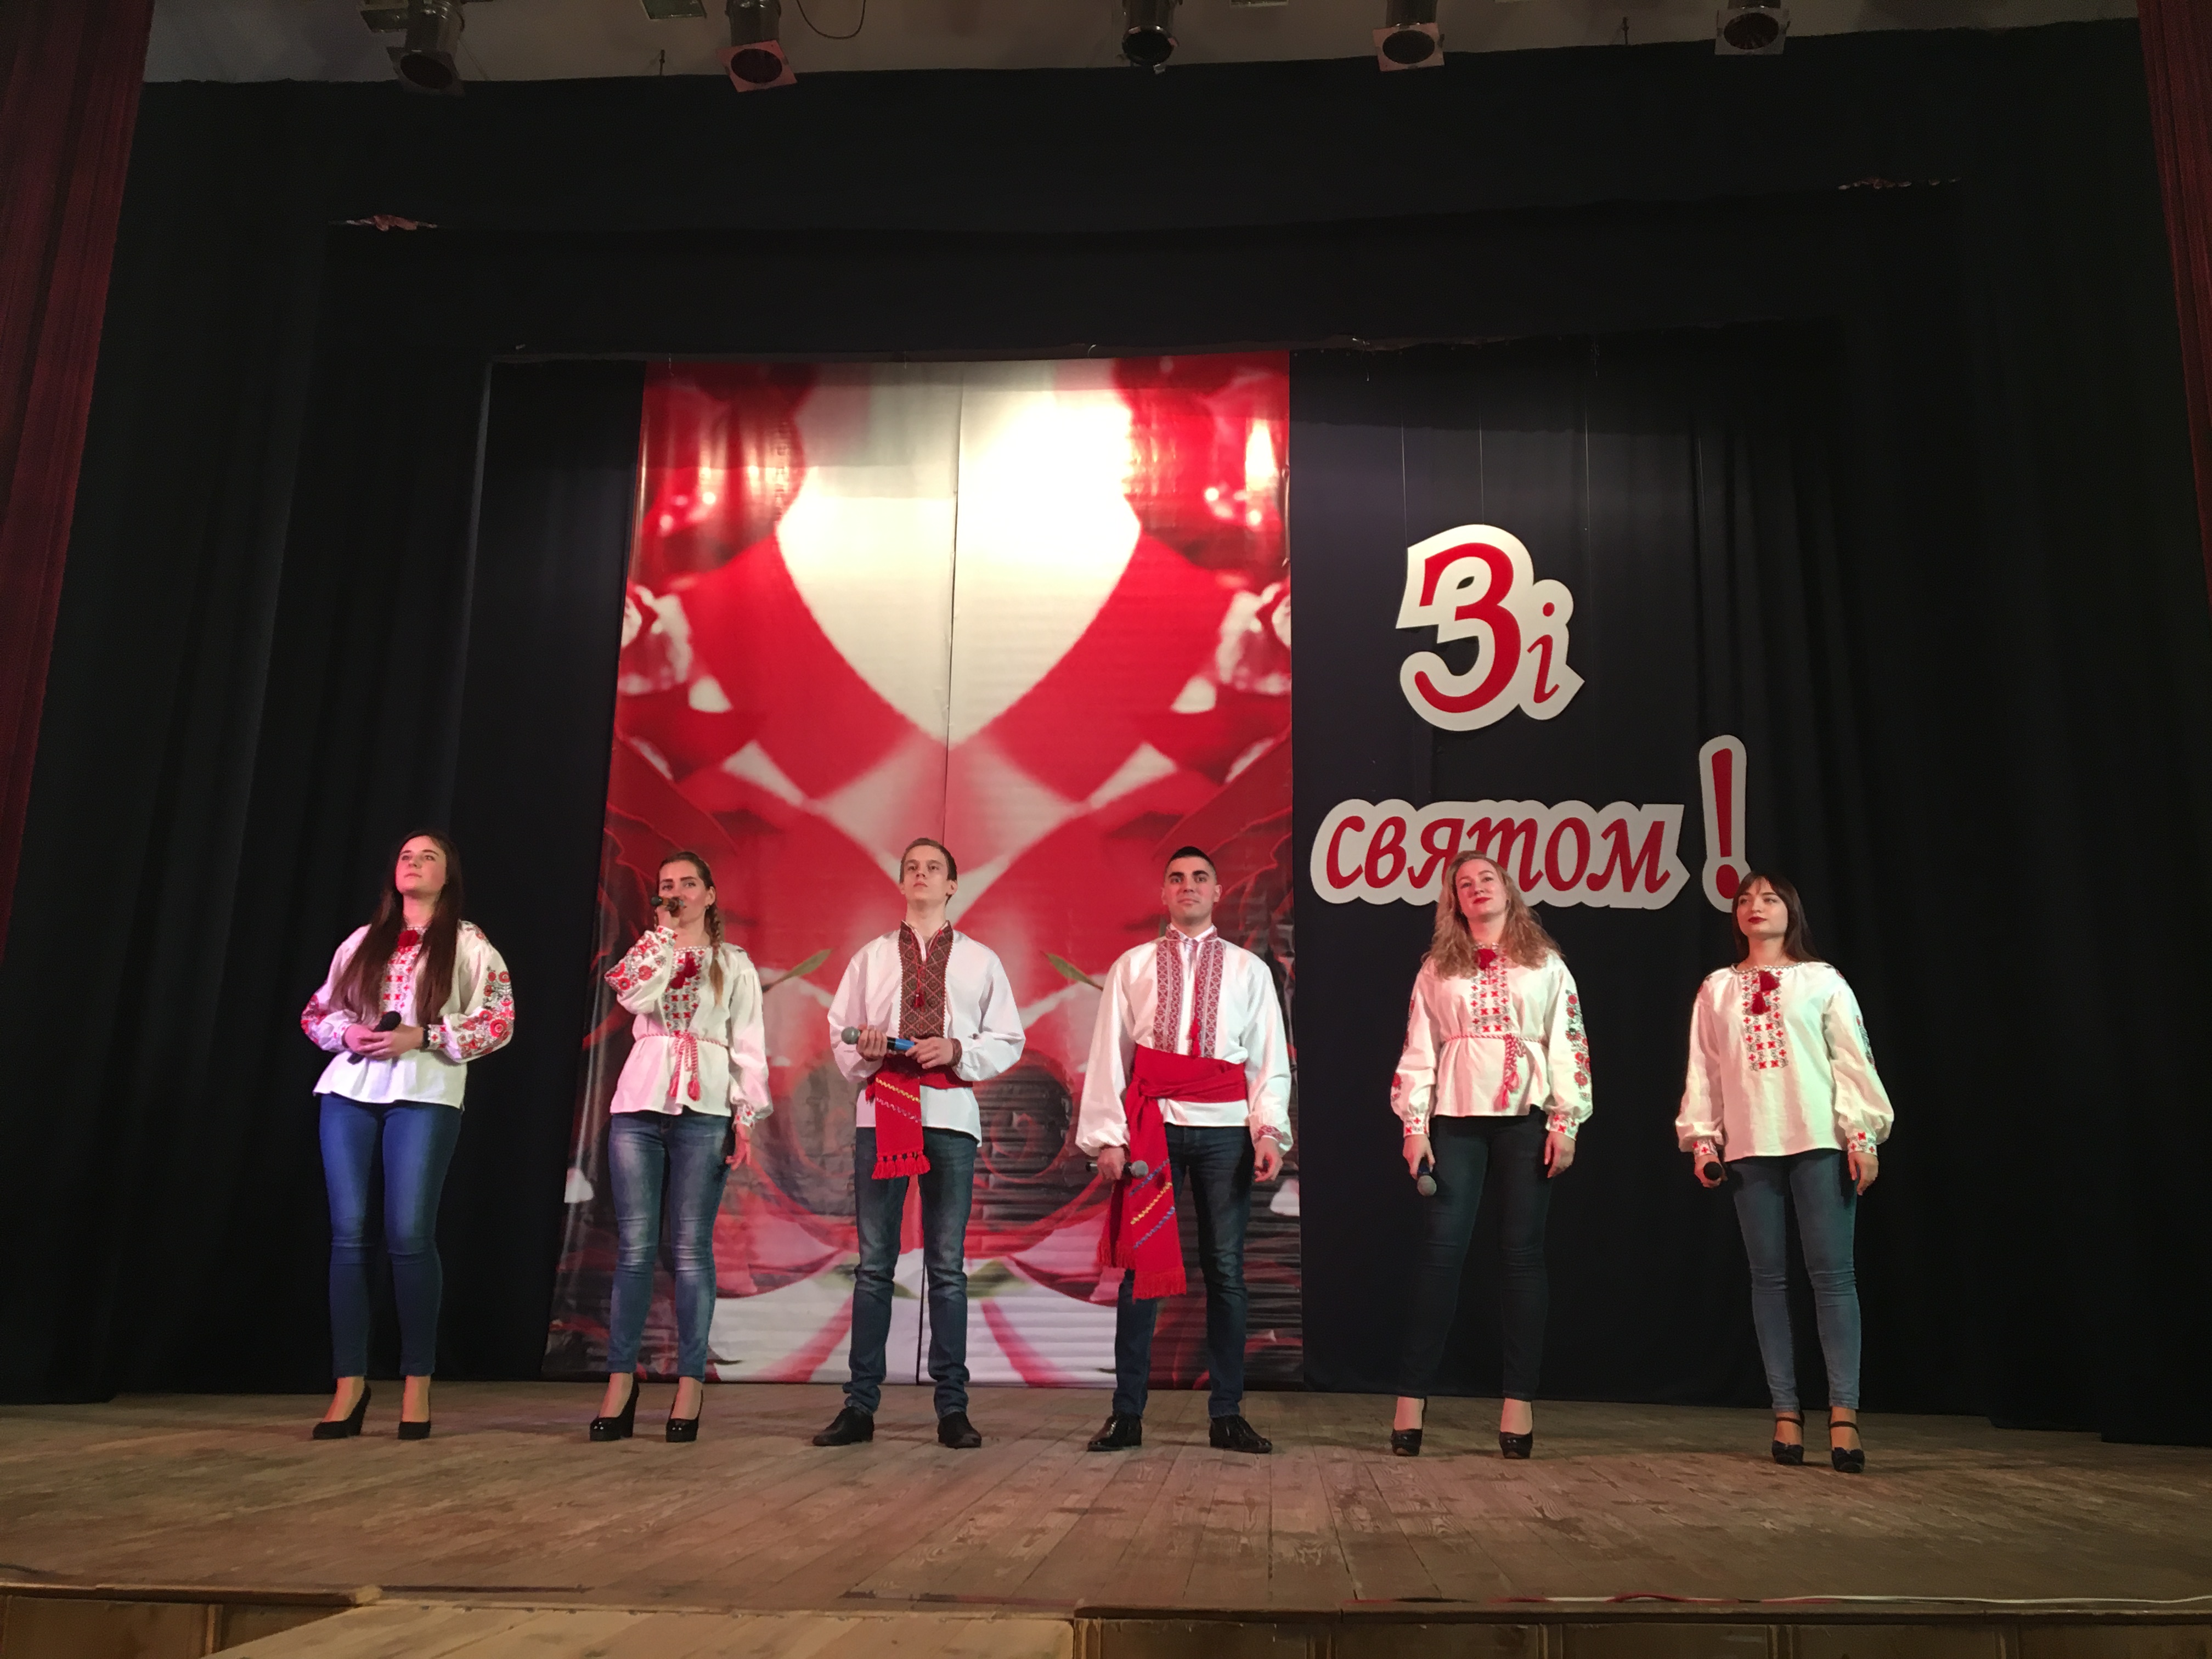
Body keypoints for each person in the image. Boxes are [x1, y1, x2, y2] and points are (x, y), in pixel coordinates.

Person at [1076, 846, 1292, 1455]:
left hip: (1225, 1129)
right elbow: (1109, 1053)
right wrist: (1108, 1137)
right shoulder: (1134, 965)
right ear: (1164, 893)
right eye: (1177, 878)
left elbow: (1268, 1057)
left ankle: (1227, 1414)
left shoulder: (1249, 969)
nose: (1188, 886)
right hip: (1155, 1127)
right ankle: (1126, 1414)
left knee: (1225, 1268)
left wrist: (1268, 1131)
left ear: (1218, 892)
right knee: (1141, 1270)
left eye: (1200, 878)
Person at [298, 832, 515, 1440]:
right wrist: (349, 1034)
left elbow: (499, 1020)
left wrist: (424, 1036)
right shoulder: (363, 941)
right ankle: (349, 1383)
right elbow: (317, 1012)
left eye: (429, 857)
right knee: (348, 1237)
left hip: (425, 1091)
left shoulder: (469, 944)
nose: (414, 864)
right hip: (350, 1090)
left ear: (448, 876)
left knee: (409, 1234)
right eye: (406, 856)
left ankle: (417, 1380)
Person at [812, 838, 1025, 1451]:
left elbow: (1008, 1038)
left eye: (934, 868)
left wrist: (957, 1049)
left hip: (950, 1113)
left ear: (953, 884)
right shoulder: (873, 956)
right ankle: (859, 1405)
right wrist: (865, 1049)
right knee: (875, 1265)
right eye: (912, 868)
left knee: (947, 1267)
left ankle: (953, 1407)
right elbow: (840, 1030)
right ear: (901, 883)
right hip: (883, 1110)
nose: (922, 875)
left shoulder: (980, 960)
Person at [1677, 871, 1892, 1475]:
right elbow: (1704, 1070)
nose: (1755, 906)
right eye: (1745, 899)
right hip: (1750, 1144)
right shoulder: (1717, 988)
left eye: (1769, 898)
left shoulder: (1821, 980)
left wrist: (1862, 1135)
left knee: (1833, 1277)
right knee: (1768, 1279)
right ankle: (1785, 1411)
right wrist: (1703, 1141)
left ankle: (1843, 1412)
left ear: (1790, 911)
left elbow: (1852, 1058)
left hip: (1818, 1137)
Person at [1388, 849, 1589, 1459]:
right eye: (1464, 883)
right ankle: (1411, 1398)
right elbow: (1418, 1048)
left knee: (1522, 1255)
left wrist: (1565, 1121)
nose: (1477, 888)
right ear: (1454, 900)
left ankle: (1518, 1400)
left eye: (1487, 879)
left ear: (1507, 890)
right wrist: (1414, 1125)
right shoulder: (1438, 967)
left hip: (1527, 1118)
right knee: (1441, 1252)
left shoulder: (1545, 963)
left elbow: (1568, 1042)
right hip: (1456, 1116)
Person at [590, 851, 770, 1444]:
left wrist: (744, 1116)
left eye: (689, 884)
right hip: (640, 1104)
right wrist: (663, 939)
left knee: (691, 1248)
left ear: (710, 895)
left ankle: (690, 1381)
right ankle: (621, 1381)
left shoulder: (733, 963)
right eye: (667, 885)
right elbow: (633, 998)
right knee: (635, 1249)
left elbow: (749, 1044)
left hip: (706, 1108)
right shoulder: (651, 949)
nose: (677, 893)